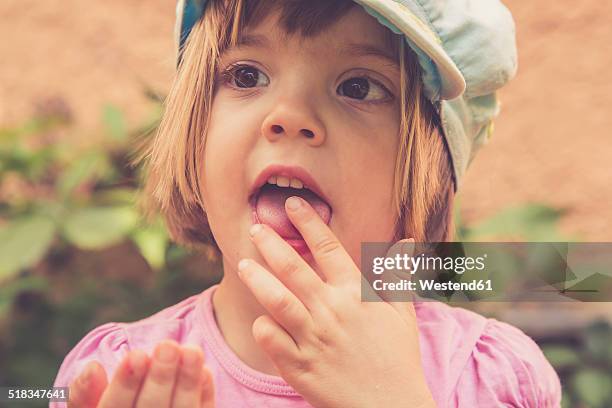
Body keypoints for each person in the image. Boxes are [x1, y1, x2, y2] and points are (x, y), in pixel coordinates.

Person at [53, 0, 562, 406]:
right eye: (246, 76)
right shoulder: (117, 375)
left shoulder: (488, 378)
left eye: (358, 86)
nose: (290, 115)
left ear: (426, 172)